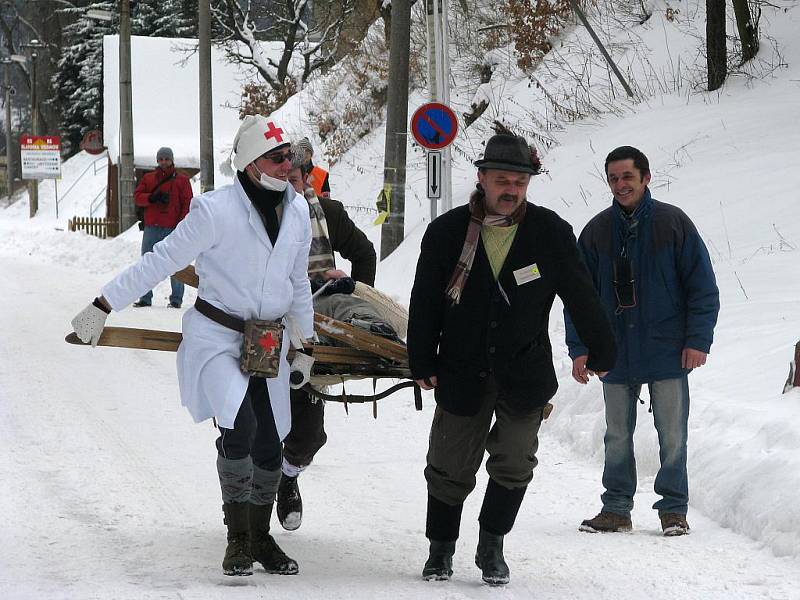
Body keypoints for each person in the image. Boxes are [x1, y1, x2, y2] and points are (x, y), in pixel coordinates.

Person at [70, 115, 315, 577]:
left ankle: (262, 538)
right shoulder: (214, 211)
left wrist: (305, 341)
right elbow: (161, 260)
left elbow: (297, 281)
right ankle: (238, 539)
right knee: (238, 425)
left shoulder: (298, 211)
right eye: (277, 158)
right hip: (219, 336)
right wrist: (104, 304)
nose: (287, 166)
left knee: (269, 439)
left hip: (268, 339)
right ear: (249, 163)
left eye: (290, 158)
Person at [407, 133, 617, 585]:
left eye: (519, 182)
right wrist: (421, 359)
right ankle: (440, 549)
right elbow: (424, 300)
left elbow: (581, 294)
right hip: (461, 370)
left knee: (516, 462)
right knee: (449, 466)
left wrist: (602, 347)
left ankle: (491, 546)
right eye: (501, 180)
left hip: (524, 370)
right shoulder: (445, 233)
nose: (511, 190)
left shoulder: (549, 232)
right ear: (481, 179)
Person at [565, 146, 719, 537]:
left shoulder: (673, 224)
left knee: (673, 435)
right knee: (616, 435)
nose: (620, 185)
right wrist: (580, 347)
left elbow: (702, 287)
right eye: (613, 179)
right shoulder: (597, 231)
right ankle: (616, 509)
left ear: (646, 178)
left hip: (668, 349)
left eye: (627, 177)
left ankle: (673, 510)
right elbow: (578, 296)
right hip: (612, 352)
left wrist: (697, 340)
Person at [276, 147, 379, 531]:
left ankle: (287, 477)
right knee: (251, 425)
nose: (285, 187)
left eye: (293, 179)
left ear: (307, 178)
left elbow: (364, 253)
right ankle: (243, 506)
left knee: (307, 434)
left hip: (309, 332)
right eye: (278, 177)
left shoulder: (328, 215)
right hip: (259, 331)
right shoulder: (250, 213)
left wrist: (352, 292)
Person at [132, 146, 194, 308]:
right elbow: (137, 197)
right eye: (161, 159)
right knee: (147, 262)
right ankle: (145, 298)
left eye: (166, 158)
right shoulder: (149, 178)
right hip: (152, 227)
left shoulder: (182, 180)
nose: (163, 162)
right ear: (157, 160)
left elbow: (188, 203)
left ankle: (176, 299)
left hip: (173, 228)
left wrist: (181, 224)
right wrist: (151, 197)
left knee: (175, 263)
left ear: (171, 159)